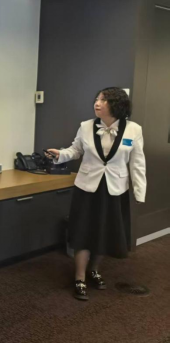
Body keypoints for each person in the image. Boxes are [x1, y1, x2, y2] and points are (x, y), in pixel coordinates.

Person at [46, 87, 147, 301]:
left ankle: (94, 269)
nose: (97, 103)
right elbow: (76, 150)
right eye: (97, 99)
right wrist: (60, 155)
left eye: (103, 100)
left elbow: (137, 163)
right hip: (87, 188)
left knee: (104, 232)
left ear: (117, 105)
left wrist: (140, 192)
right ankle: (79, 277)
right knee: (83, 231)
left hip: (114, 189)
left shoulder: (133, 130)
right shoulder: (85, 126)